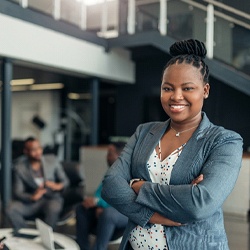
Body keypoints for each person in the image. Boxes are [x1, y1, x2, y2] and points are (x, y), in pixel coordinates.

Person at [101, 39, 243, 250]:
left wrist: (136, 186)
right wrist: (151, 215)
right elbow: (110, 185)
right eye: (168, 88)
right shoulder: (144, 132)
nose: (176, 96)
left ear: (205, 90)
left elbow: (199, 204)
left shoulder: (224, 141)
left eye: (187, 88)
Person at [6, 137, 69, 231]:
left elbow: (65, 181)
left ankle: (48, 238)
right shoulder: (19, 168)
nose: (38, 152)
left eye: (39, 148)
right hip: (33, 202)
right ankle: (27, 235)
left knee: (53, 209)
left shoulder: (52, 160)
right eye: (33, 150)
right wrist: (32, 197)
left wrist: (57, 186)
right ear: (26, 151)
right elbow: (18, 192)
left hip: (52, 199)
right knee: (10, 209)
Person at [75, 142, 128, 250]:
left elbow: (123, 199)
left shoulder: (130, 173)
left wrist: (99, 203)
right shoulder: (111, 171)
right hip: (107, 207)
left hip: (126, 212)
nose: (106, 157)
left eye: (109, 154)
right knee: (81, 208)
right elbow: (100, 191)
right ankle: (83, 247)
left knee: (108, 213)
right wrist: (96, 202)